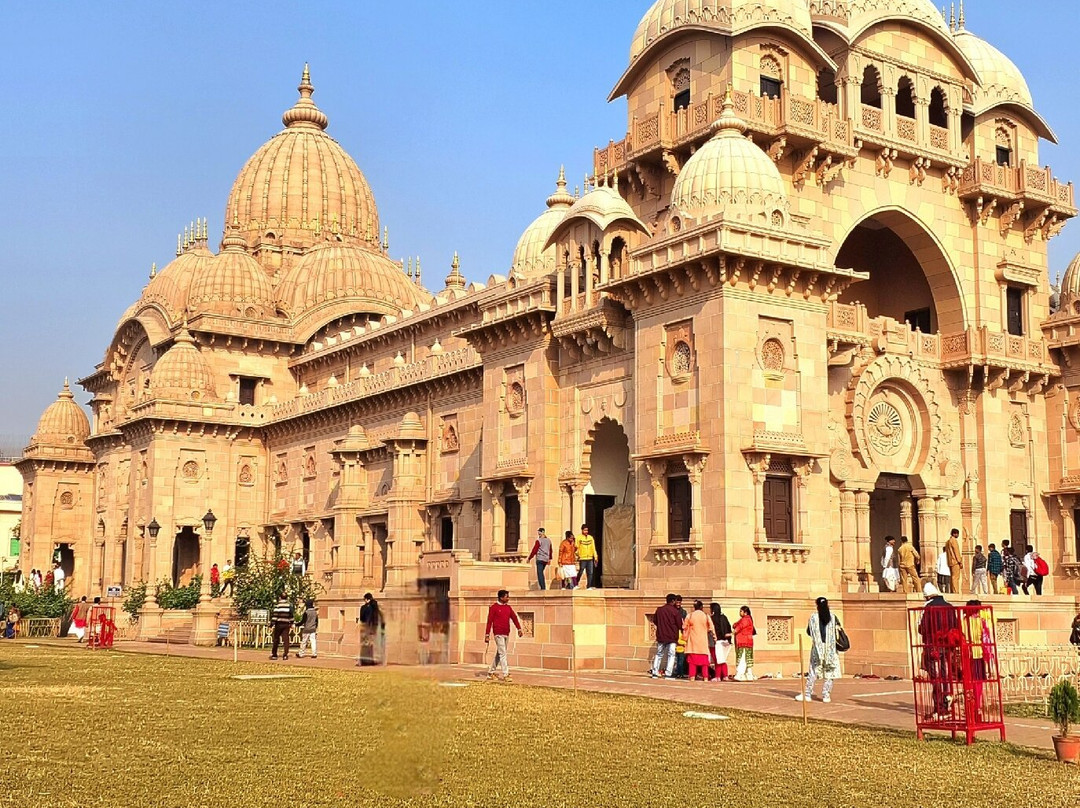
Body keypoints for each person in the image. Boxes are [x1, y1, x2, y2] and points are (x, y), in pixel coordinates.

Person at [918, 582, 956, 718]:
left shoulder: (928, 607)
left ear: (927, 596)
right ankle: (947, 702)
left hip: (932, 646)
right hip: (947, 646)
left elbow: (922, 627)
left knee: (936, 677)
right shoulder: (950, 606)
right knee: (946, 675)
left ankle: (939, 707)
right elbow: (955, 626)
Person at [796, 597, 841, 704]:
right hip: (830, 648)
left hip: (818, 648)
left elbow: (809, 631)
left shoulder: (813, 618)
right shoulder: (833, 617)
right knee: (829, 672)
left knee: (813, 670)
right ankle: (826, 695)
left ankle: (807, 694)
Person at [484, 589, 522, 682]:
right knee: (503, 653)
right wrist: (487, 634)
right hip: (498, 633)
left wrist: (519, 628)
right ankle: (506, 674)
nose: (508, 598)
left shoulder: (508, 608)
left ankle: (490, 672)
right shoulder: (494, 608)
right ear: (501, 597)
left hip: (506, 633)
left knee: (500, 653)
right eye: (506, 596)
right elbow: (489, 621)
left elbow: (514, 618)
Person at [650, 594, 682, 679]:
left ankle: (655, 672)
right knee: (671, 655)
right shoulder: (675, 611)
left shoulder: (659, 610)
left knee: (659, 654)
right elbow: (679, 624)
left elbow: (655, 621)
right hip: (672, 636)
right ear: (672, 601)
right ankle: (668, 673)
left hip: (661, 635)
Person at [682, 600, 715, 681]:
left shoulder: (690, 616)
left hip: (692, 642)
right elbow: (712, 628)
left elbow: (684, 627)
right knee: (704, 662)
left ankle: (692, 677)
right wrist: (715, 638)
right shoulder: (706, 616)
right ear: (701, 607)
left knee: (692, 662)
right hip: (703, 642)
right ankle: (705, 677)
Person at [357, 593, 385, 666]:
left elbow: (362, 617)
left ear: (366, 599)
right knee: (371, 644)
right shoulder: (375, 607)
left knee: (365, 644)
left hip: (366, 626)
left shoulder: (365, 607)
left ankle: (364, 660)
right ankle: (370, 660)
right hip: (373, 627)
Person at [709, 603, 733, 681]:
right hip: (725, 641)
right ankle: (725, 675)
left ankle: (718, 676)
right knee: (723, 659)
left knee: (718, 660)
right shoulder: (724, 617)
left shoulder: (712, 618)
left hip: (716, 642)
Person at [732, 606, 756, 681]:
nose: (740, 613)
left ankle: (740, 674)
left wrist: (732, 633)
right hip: (748, 641)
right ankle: (749, 675)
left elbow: (738, 627)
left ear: (745, 612)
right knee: (747, 658)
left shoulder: (745, 620)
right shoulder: (748, 619)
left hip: (743, 641)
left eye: (741, 611)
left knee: (742, 658)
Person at [270, 592, 294, 660]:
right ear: (287, 598)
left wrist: (272, 624)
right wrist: (292, 623)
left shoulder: (277, 605)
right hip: (286, 624)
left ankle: (274, 654)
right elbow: (291, 615)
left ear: (280, 597)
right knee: (286, 639)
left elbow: (275, 615)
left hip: (279, 623)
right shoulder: (289, 605)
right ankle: (285, 655)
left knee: (276, 639)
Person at [944, 528, 963, 594]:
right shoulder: (954, 541)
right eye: (957, 534)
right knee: (955, 577)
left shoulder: (948, 541)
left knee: (952, 577)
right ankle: (955, 591)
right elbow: (956, 551)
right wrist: (960, 561)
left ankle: (953, 591)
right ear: (955, 534)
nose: (958, 535)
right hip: (955, 561)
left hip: (950, 561)